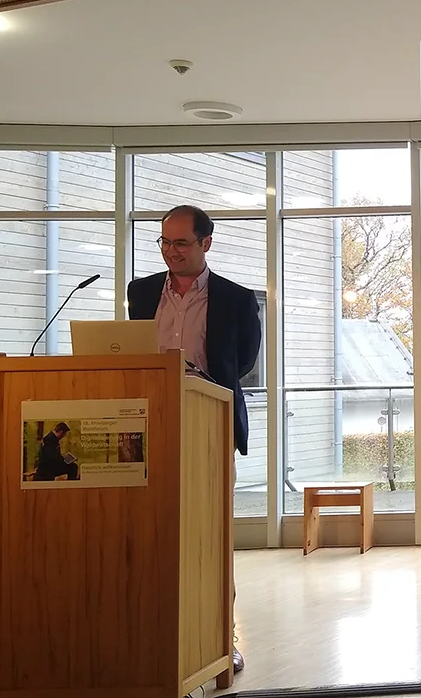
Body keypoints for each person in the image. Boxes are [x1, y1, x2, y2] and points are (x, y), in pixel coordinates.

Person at [126, 204, 261, 673]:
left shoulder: (237, 299)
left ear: (206, 243)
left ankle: (223, 635)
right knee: (150, 533)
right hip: (146, 426)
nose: (170, 251)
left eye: (181, 243)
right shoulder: (141, 293)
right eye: (164, 241)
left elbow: (240, 363)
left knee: (211, 535)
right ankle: (154, 634)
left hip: (209, 427)